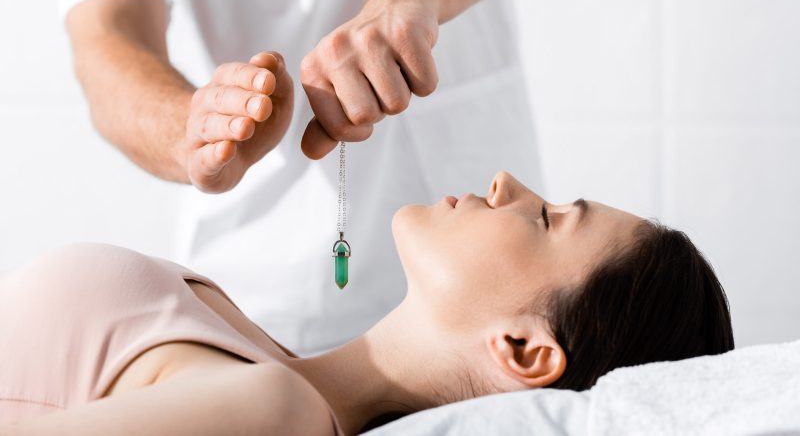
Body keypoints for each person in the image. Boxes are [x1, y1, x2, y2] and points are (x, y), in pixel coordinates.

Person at [0, 172, 734, 435]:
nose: (509, 182)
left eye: (546, 219)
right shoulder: (262, 359)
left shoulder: (276, 410)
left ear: (523, 350)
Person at [57, 0, 541, 355]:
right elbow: (106, 38)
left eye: (562, 214)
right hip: (264, 295)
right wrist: (191, 132)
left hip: (494, 289)